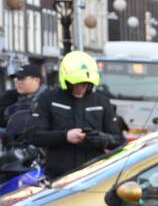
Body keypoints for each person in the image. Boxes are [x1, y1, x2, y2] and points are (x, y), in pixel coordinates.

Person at [27, 51, 124, 180]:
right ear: (66, 80)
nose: (80, 88)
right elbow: (34, 136)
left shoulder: (101, 102)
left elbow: (118, 139)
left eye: (85, 84)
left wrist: (101, 139)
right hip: (59, 175)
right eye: (75, 84)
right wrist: (65, 136)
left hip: (94, 174)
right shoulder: (48, 99)